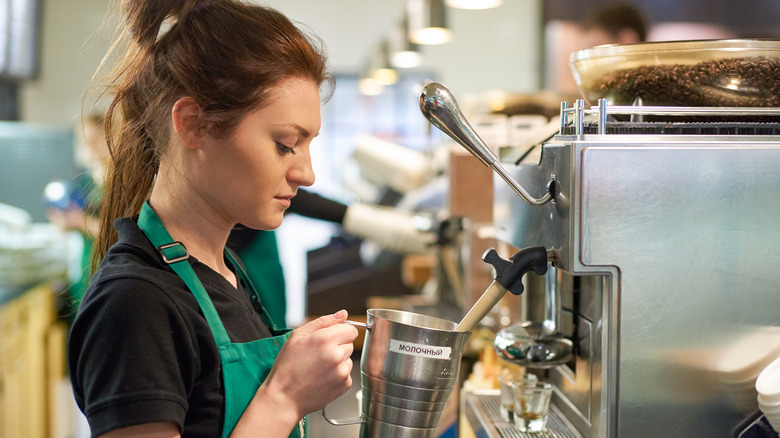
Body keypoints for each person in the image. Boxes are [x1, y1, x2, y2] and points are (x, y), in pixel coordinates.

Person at [67, 1, 358, 437]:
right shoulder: (136, 304)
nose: (306, 173)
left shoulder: (225, 272)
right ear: (193, 125)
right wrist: (284, 398)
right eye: (285, 144)